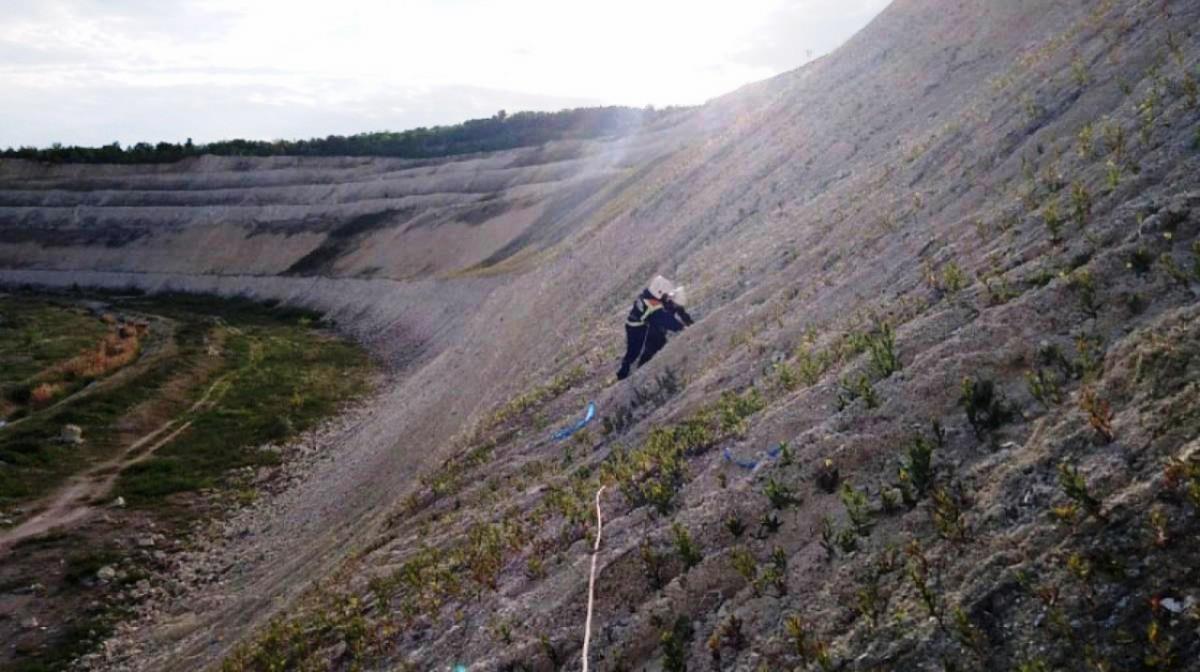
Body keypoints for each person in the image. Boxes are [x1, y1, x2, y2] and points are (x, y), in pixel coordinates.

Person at [617, 275, 693, 380]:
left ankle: (635, 366)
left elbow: (677, 311)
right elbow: (666, 320)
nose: (667, 296)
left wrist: (689, 324)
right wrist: (681, 327)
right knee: (634, 351)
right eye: (665, 294)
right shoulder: (653, 304)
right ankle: (623, 374)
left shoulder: (649, 295)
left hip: (640, 323)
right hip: (635, 327)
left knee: (650, 343)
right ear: (659, 292)